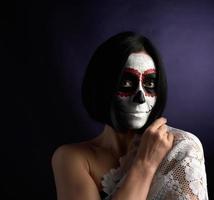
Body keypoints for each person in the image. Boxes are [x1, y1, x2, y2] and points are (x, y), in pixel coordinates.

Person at [51, 32, 209, 200]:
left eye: (150, 83)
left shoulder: (181, 147)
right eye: (126, 83)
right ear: (101, 86)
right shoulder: (72, 158)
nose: (140, 98)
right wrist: (144, 164)